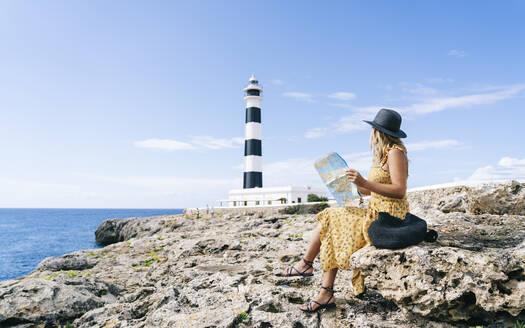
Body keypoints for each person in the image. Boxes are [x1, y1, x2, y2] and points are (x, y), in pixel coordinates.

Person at [278, 108, 410, 313]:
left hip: (389, 217)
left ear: (377, 132)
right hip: (375, 210)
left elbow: (399, 191)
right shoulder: (381, 156)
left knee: (332, 218)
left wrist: (364, 181)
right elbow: (369, 191)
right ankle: (321, 286)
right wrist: (354, 184)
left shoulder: (395, 153)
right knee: (331, 218)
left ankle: (310, 271)